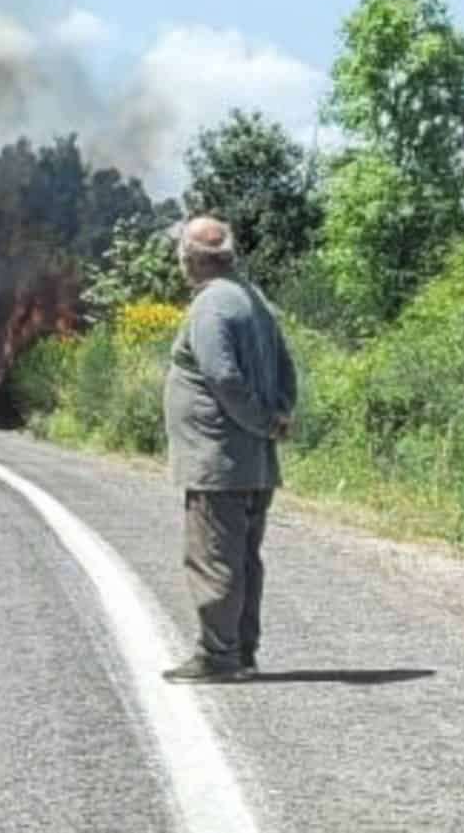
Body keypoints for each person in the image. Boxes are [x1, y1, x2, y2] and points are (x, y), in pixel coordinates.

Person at [161, 215, 299, 684]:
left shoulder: (210, 307)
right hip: (253, 460)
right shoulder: (251, 300)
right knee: (242, 559)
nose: (179, 262)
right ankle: (241, 652)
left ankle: (219, 656)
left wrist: (262, 420)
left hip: (219, 459)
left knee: (215, 556)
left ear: (192, 259)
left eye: (181, 254)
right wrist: (279, 415)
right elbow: (286, 366)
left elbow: (223, 378)